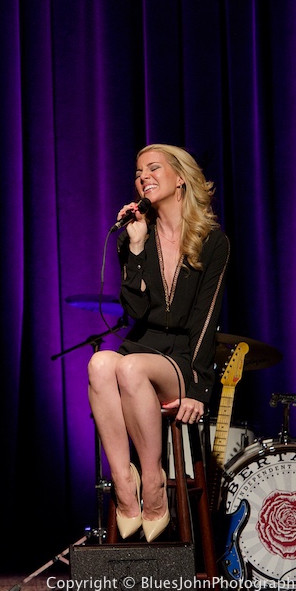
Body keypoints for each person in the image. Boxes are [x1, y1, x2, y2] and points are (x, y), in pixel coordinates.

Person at [87, 143, 229, 542]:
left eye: (153, 169)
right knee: (100, 363)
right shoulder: (136, 236)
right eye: (138, 172)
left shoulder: (213, 242)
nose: (143, 177)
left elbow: (206, 318)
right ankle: (123, 481)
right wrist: (134, 247)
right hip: (141, 345)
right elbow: (135, 309)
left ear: (180, 178)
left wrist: (199, 387)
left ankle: (152, 481)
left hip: (181, 357)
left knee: (129, 368)